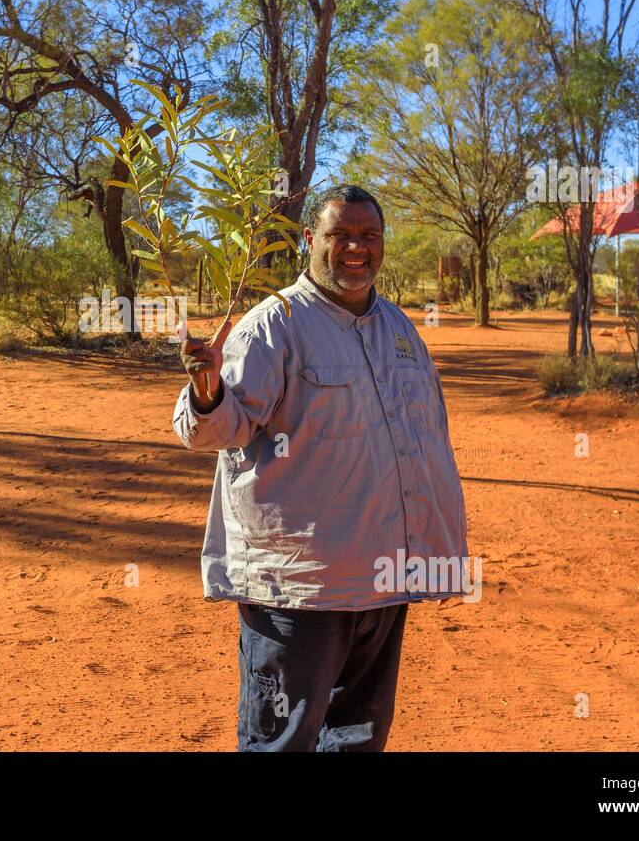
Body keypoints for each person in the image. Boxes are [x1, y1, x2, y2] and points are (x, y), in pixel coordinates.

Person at [173, 184, 469, 752]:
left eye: (368, 235)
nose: (355, 247)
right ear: (310, 241)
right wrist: (207, 388)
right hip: (300, 588)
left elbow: (424, 444)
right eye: (340, 235)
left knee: (358, 738)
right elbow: (217, 431)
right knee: (280, 742)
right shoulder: (273, 326)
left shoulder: (399, 330)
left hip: (383, 579)